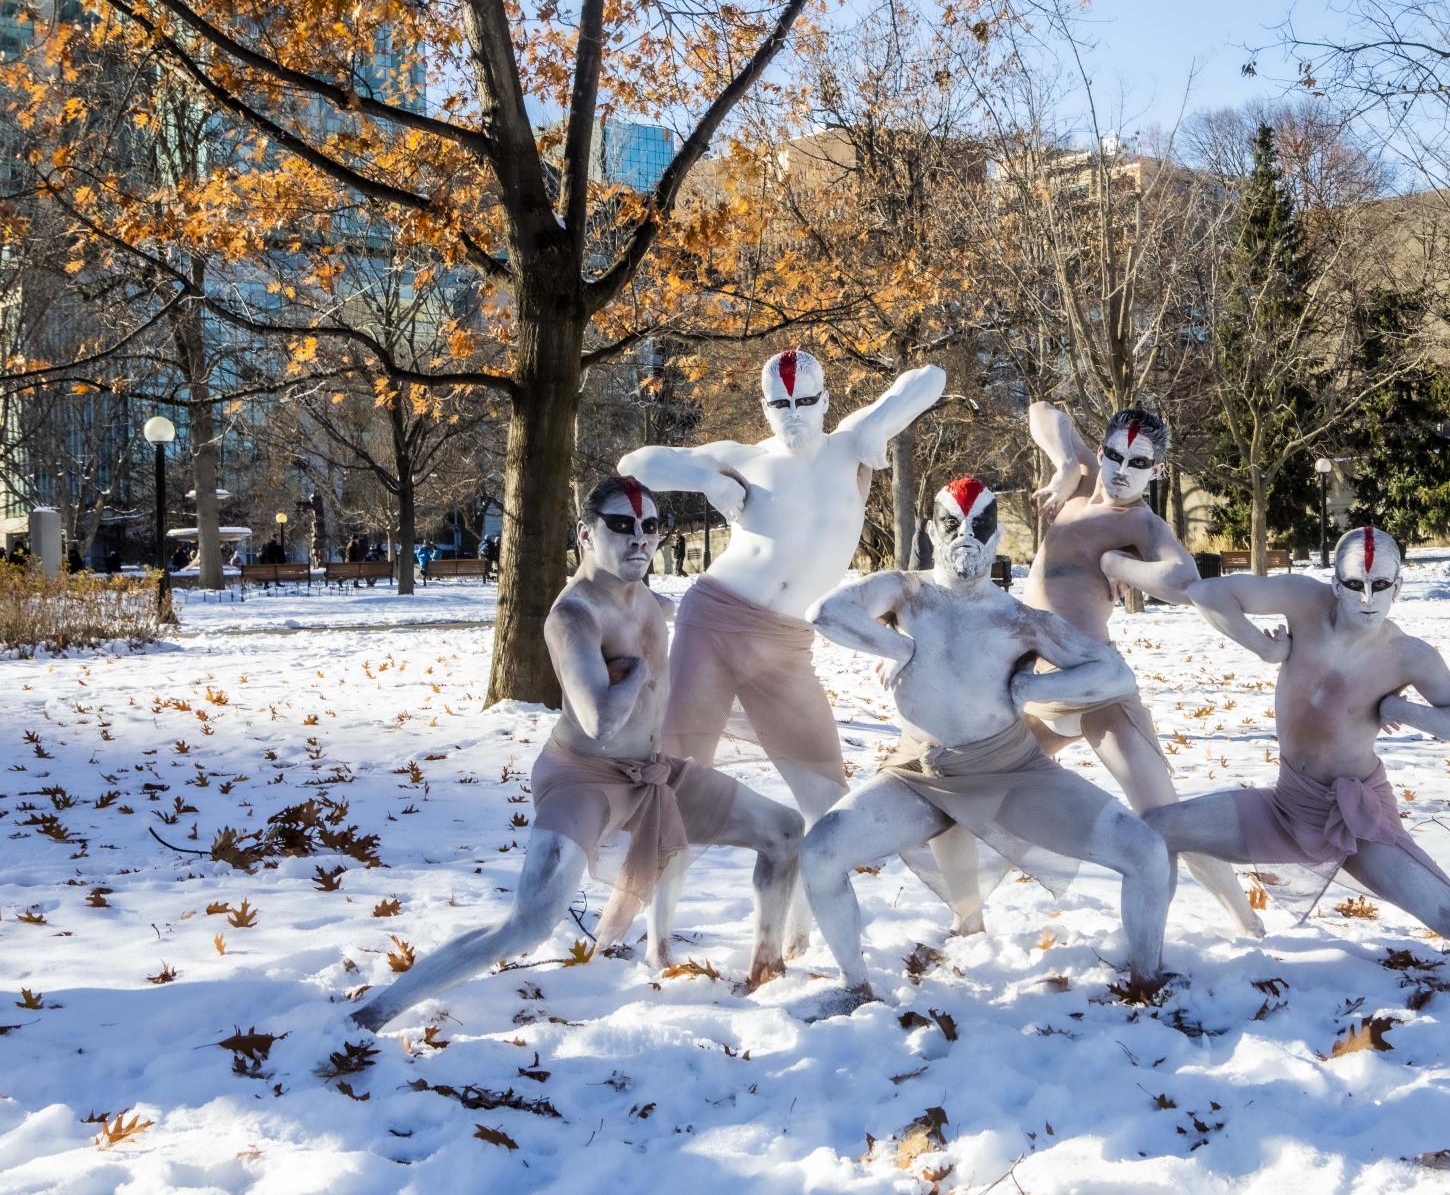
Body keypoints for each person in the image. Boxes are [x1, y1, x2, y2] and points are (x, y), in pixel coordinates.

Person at [350, 477, 802, 1032]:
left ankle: (766, 965)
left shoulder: (650, 601)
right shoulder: (574, 618)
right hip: (584, 779)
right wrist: (635, 668)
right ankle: (376, 1012)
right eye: (621, 526)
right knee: (528, 924)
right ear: (586, 534)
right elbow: (602, 721)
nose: (639, 539)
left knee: (784, 831)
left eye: (650, 527)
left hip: (653, 775)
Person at [1151, 526, 1450, 982]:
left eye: (1380, 586)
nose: (1367, 598)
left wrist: (1407, 711)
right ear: (1335, 583)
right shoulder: (1302, 601)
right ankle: (1145, 968)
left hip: (1355, 820)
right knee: (1152, 831)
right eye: (1355, 584)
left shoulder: (1406, 654)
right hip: (1284, 805)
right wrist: (1264, 650)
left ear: (1399, 586)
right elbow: (1209, 593)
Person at [618, 349, 947, 963]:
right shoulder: (747, 459)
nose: (793, 416)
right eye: (779, 404)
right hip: (713, 624)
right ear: (764, 409)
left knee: (827, 797)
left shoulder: (851, 444)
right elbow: (635, 462)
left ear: (826, 400)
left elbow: (930, 378)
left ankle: (794, 937)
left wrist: (878, 425)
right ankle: (659, 944)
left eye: (804, 401)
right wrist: (709, 480)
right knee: (681, 786)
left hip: (788, 647)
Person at [803, 477, 1170, 1002]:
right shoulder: (905, 589)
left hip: (1012, 773)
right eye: (952, 524)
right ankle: (854, 986)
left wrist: (1036, 685)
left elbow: (1115, 675)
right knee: (820, 851)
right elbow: (824, 613)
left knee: (1146, 852)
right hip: (920, 774)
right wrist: (898, 647)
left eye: (981, 525)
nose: (965, 537)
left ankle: (1148, 980)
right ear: (931, 530)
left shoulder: (1017, 618)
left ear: (998, 537)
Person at [1013, 401, 1259, 935]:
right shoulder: (1079, 482)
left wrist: (1117, 564)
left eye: (1139, 462)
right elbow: (1040, 411)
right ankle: (967, 920)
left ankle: (1245, 921)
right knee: (978, 780)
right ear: (1100, 451)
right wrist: (1064, 466)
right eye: (1115, 456)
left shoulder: (1142, 522)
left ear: (1157, 471)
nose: (1123, 470)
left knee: (1162, 817)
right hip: (1039, 688)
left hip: (1099, 691)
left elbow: (1181, 580)